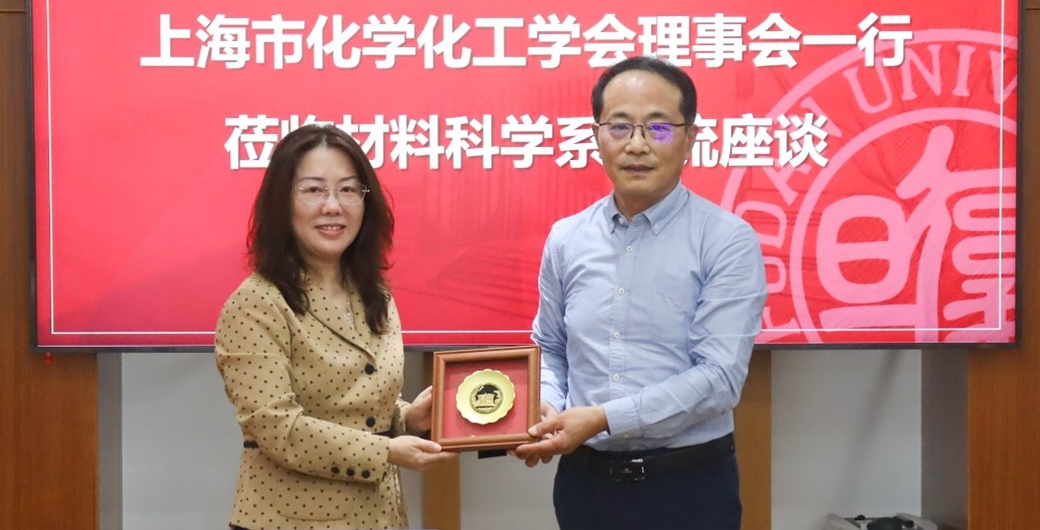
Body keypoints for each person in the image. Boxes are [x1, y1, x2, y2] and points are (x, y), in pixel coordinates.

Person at [515, 56, 768, 530]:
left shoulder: (726, 239)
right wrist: (547, 404)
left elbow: (719, 377)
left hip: (688, 487)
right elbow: (550, 346)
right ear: (596, 136)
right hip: (585, 485)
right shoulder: (567, 238)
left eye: (659, 128)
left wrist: (603, 418)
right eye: (619, 126)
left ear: (690, 139)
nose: (637, 145)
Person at [215, 123, 452, 530]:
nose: (332, 206)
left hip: (380, 518)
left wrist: (408, 417)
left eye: (347, 190)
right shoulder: (256, 303)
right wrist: (386, 452)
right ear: (281, 202)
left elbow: (357, 407)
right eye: (313, 190)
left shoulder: (374, 293)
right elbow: (277, 427)